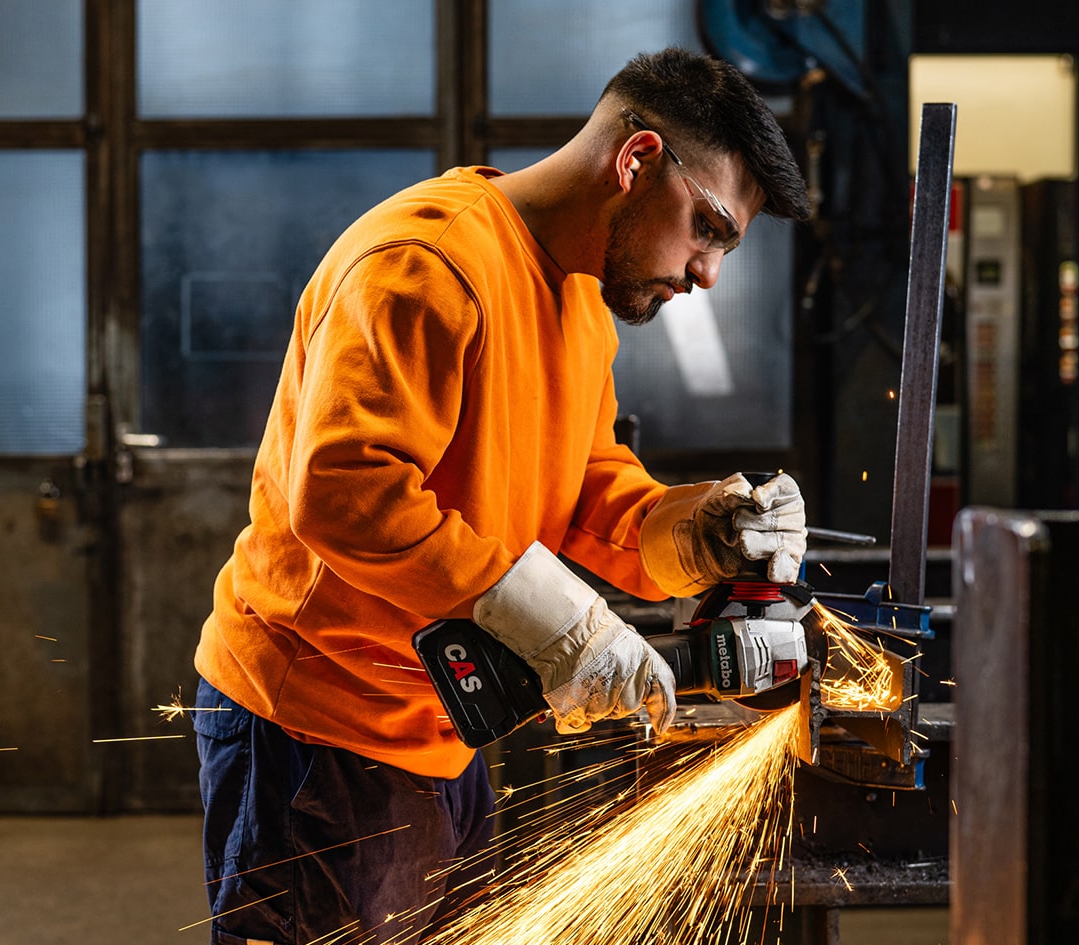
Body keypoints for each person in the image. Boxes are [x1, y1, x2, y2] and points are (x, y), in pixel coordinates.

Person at [190, 47, 812, 945]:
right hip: (319, 727)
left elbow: (592, 493)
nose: (707, 271)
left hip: (440, 727)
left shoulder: (580, 306)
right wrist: (561, 624)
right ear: (636, 161)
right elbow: (343, 492)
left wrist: (703, 528)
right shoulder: (426, 264)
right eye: (708, 226)